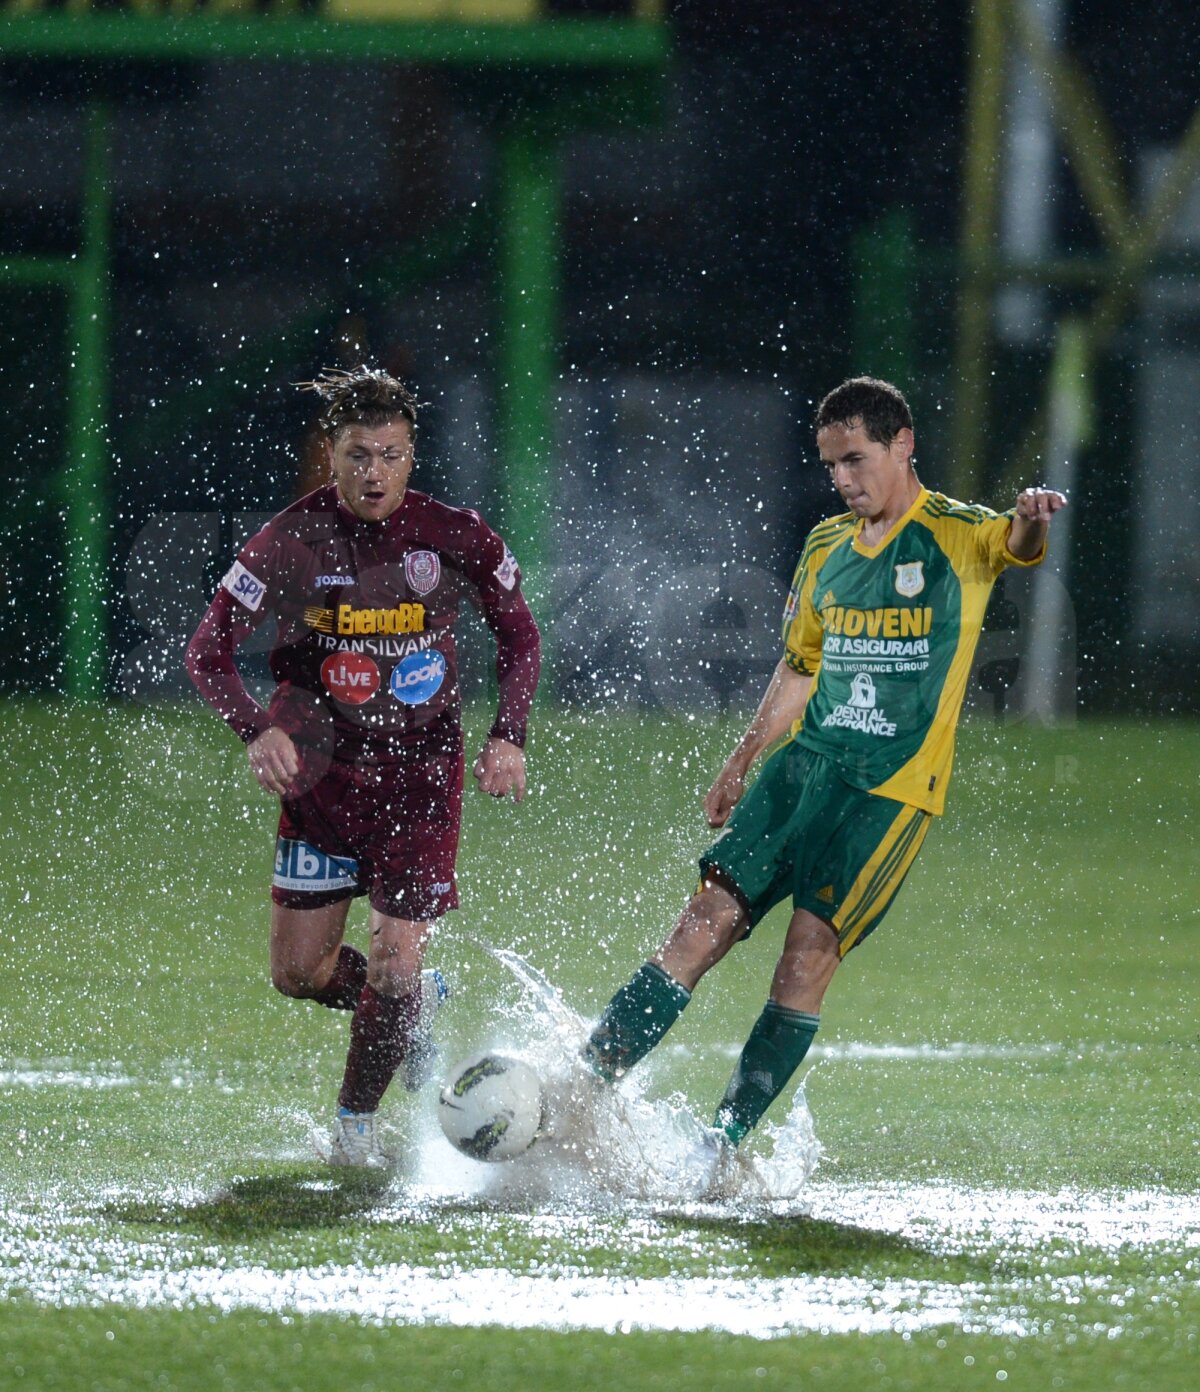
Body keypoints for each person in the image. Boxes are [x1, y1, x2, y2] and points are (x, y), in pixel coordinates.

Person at [583, 376, 1066, 1176]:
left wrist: (1025, 519)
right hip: (799, 774)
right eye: (831, 465)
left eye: (856, 459)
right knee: (699, 928)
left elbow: (1011, 547)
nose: (843, 480)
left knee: (805, 960)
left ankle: (720, 1145)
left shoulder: (954, 534)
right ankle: (583, 1085)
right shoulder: (825, 548)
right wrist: (741, 761)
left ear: (903, 443)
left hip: (888, 794)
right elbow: (801, 666)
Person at [186, 366, 540, 1167]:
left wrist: (507, 732)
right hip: (319, 781)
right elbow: (206, 653)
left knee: (393, 955)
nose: (373, 472)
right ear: (331, 454)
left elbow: (520, 633)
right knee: (298, 972)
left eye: (390, 454)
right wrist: (254, 729)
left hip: (420, 778)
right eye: (356, 455)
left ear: (412, 455)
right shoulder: (288, 540)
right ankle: (412, 1009)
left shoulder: (454, 535)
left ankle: (353, 1129)